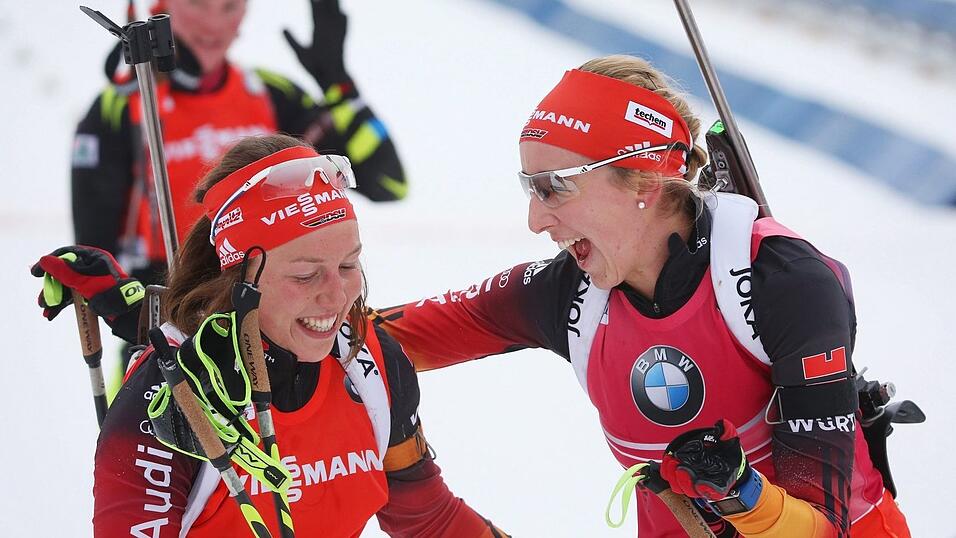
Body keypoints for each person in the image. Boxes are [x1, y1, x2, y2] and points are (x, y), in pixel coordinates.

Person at [370, 56, 912, 536]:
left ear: (646, 184)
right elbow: (373, 340)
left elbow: (825, 529)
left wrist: (742, 494)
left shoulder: (780, 282)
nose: (536, 219)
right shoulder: (570, 292)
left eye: (554, 186)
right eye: (528, 186)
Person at [33, 134, 505, 537]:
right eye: (305, 275)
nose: (336, 296)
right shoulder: (169, 394)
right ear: (240, 279)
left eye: (348, 265)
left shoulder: (370, 363)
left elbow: (427, 517)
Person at [71, 0, 408, 287]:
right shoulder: (122, 107)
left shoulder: (271, 94)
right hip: (162, 333)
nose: (213, 22)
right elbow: (94, 258)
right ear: (162, 7)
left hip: (272, 322)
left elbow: (389, 184)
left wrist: (339, 84)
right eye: (197, 2)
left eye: (230, 5)